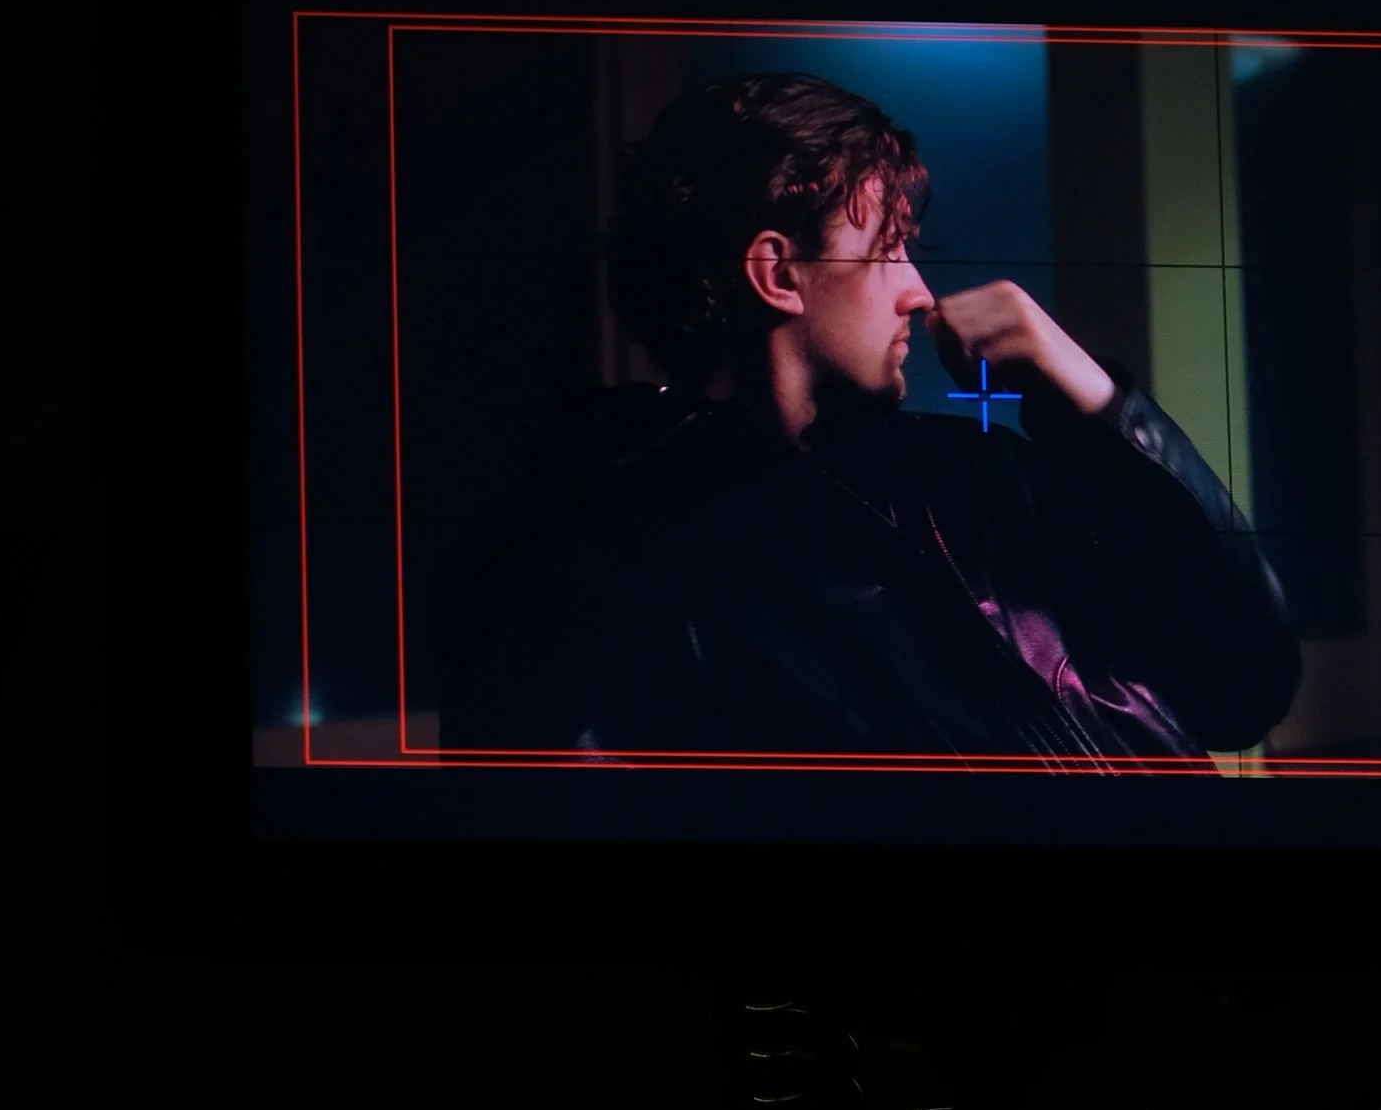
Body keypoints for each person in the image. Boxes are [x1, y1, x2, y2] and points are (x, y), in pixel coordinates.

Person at [436, 71, 1298, 760]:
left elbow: (1245, 688)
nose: (918, 290)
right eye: (888, 247)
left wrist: (1098, 406)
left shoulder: (981, 477)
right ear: (778, 273)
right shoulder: (605, 559)